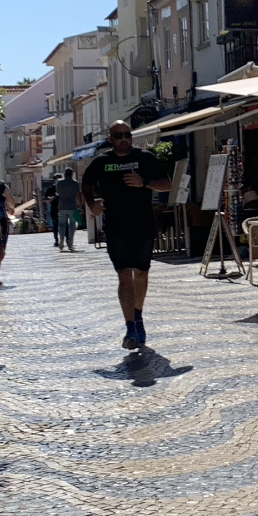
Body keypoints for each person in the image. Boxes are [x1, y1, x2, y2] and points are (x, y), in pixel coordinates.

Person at [83, 121, 172, 350]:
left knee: (141, 274)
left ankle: (139, 316)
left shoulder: (146, 158)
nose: (124, 139)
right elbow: (85, 183)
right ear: (111, 139)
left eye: (127, 135)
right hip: (115, 226)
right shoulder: (102, 162)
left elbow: (167, 184)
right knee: (124, 275)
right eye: (119, 135)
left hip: (143, 225)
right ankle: (130, 327)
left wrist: (145, 183)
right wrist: (92, 203)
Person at [53, 169, 82, 252]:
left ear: (64, 174)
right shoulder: (75, 183)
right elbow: (78, 195)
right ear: (72, 174)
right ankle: (70, 243)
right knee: (72, 225)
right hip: (73, 206)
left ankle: (61, 239)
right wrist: (80, 205)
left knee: (62, 225)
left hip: (62, 206)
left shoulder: (59, 182)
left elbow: (57, 192)